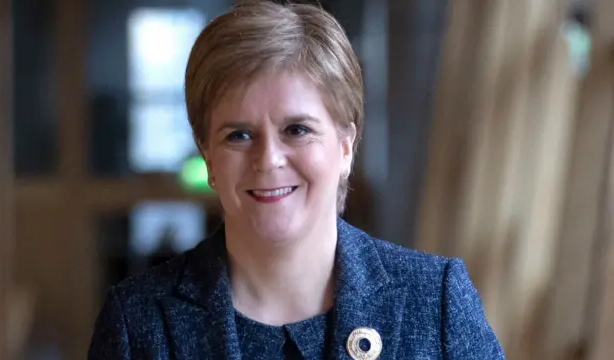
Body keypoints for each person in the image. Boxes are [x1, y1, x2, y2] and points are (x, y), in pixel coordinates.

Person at [87, 1, 505, 359]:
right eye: (239, 135)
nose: (268, 159)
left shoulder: (435, 303)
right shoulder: (138, 323)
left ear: (345, 145)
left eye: (297, 130)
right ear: (207, 155)